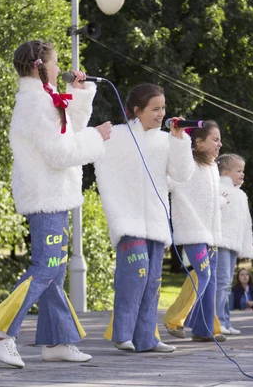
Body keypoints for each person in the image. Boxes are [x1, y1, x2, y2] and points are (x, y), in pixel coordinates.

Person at [0, 40, 111, 368]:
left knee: (54, 270)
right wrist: (97, 137)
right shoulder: (36, 103)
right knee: (47, 267)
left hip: (53, 195)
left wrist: (79, 95)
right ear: (40, 66)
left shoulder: (42, 99)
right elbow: (61, 153)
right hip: (46, 196)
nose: (59, 68)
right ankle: (1, 336)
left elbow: (68, 132)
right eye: (56, 63)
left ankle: (58, 340)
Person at [95, 83, 195, 353]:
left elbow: (182, 174)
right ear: (137, 111)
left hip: (156, 222)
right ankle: (122, 335)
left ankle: (147, 338)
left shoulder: (166, 140)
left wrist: (179, 139)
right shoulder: (116, 136)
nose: (161, 113)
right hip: (128, 219)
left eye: (163, 107)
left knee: (152, 281)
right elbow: (89, 148)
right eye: (155, 108)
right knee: (134, 277)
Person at [163, 121, 228, 342]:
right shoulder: (187, 163)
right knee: (203, 275)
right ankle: (173, 319)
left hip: (211, 234)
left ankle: (205, 329)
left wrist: (219, 201)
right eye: (215, 139)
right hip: (192, 229)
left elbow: (206, 198)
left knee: (211, 281)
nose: (220, 144)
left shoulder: (212, 167)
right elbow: (171, 182)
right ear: (198, 142)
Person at [215, 153, 253, 335]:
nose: (242, 174)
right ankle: (217, 321)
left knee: (227, 284)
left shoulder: (241, 194)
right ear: (225, 171)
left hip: (233, 244)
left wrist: (246, 247)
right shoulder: (218, 188)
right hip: (221, 241)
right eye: (238, 170)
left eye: (243, 171)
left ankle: (225, 320)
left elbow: (246, 224)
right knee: (221, 283)